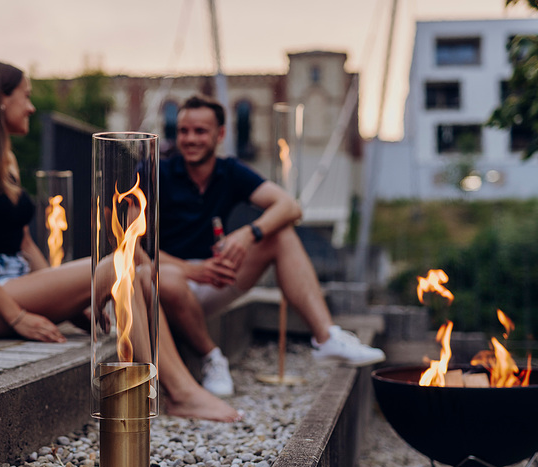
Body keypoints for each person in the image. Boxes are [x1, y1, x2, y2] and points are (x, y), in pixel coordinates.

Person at [0, 61, 240, 422]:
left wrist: (74, 304)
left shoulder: (2, 157)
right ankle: (182, 393)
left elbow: (25, 243)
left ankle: (177, 385)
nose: (31, 106)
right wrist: (19, 316)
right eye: (25, 96)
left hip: (16, 282)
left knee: (133, 269)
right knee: (120, 262)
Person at [158, 94, 386, 397]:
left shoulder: (229, 171)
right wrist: (191, 269)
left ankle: (326, 337)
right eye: (184, 131)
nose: (190, 139)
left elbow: (290, 207)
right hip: (165, 281)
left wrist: (246, 234)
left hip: (215, 279)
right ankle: (212, 358)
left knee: (281, 234)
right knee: (170, 281)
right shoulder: (158, 172)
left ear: (220, 134)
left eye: (200, 131)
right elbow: (130, 248)